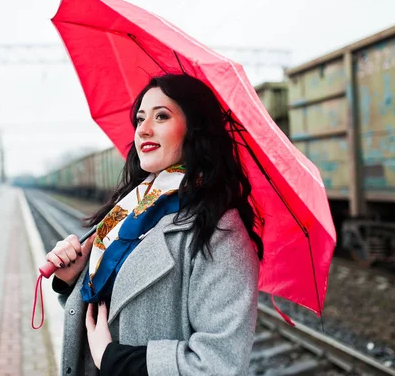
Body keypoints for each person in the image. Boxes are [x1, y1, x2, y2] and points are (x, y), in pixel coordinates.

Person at [45, 73, 264, 375]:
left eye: (161, 116)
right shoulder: (129, 210)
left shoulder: (221, 233)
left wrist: (117, 360)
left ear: (195, 129)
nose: (143, 130)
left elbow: (219, 364)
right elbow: (108, 316)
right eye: (139, 119)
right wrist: (72, 280)